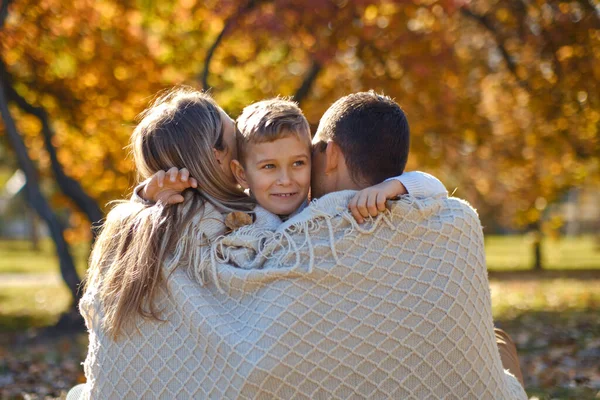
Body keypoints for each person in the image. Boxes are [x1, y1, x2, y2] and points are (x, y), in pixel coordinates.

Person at [71, 88, 445, 399]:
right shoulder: (228, 218)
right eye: (234, 134)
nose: (285, 177)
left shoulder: (144, 221)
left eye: (298, 162)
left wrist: (143, 197)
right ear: (225, 160)